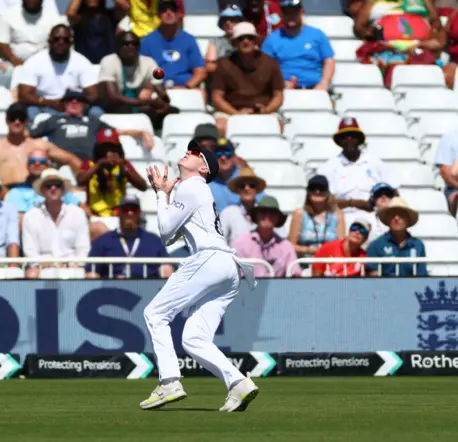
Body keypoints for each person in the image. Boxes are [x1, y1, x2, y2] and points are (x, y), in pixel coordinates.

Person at [140, 142, 259, 412]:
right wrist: (167, 197)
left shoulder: (192, 186)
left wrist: (160, 194)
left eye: (196, 154)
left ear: (203, 168)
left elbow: (165, 231)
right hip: (228, 267)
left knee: (155, 314)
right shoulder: (195, 189)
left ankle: (169, 381)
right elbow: (172, 233)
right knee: (194, 339)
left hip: (208, 259)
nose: (188, 153)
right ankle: (238, 383)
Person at [30, 89, 154, 160]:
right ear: (64, 104)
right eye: (70, 100)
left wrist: (142, 132)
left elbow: (116, 132)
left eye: (79, 101)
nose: (74, 102)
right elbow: (31, 135)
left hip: (89, 163)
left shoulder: (92, 121)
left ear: (84, 105)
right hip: (61, 162)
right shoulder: (53, 120)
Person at [212, 21, 284, 136]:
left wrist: (267, 110)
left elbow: (278, 95)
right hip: (231, 110)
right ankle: (224, 152)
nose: (246, 41)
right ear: (234, 42)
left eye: (249, 37)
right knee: (219, 126)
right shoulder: (224, 64)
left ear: (256, 40)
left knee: (278, 126)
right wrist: (236, 113)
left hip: (264, 110)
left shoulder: (270, 63)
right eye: (241, 38)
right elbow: (217, 97)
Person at [17, 24, 102, 122]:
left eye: (65, 40)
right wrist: (47, 102)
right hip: (43, 106)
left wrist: (73, 104)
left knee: (96, 112)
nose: (61, 42)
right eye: (56, 39)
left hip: (74, 105)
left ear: (71, 42)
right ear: (49, 41)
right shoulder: (34, 62)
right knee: (29, 112)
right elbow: (23, 95)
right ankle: (33, 137)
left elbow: (94, 95)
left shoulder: (82, 62)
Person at [318, 117, 399, 214]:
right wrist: (353, 203)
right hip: (342, 216)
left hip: (374, 215)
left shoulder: (375, 162)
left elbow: (394, 193)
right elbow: (324, 202)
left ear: (359, 139)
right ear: (339, 141)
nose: (349, 139)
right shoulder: (329, 167)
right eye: (345, 137)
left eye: (353, 136)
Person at [99, 31, 178, 130]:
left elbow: (161, 91)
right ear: (117, 47)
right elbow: (113, 97)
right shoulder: (108, 61)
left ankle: (158, 139)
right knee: (127, 109)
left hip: (141, 104)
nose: (131, 47)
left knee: (173, 111)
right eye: (126, 44)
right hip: (117, 105)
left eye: (134, 44)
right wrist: (143, 102)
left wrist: (162, 102)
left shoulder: (149, 62)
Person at [22, 168, 90, 279]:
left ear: (63, 190)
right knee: (31, 274)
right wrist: (51, 265)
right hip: (43, 268)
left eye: (57, 185)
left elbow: (83, 249)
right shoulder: (30, 217)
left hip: (73, 268)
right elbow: (31, 253)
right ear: (42, 190)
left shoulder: (78, 213)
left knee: (92, 276)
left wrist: (72, 265)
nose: (53, 188)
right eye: (48, 185)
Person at [86, 195, 172, 279]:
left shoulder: (154, 241)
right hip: (111, 290)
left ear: (139, 213)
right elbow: (91, 273)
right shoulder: (103, 241)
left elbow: (167, 271)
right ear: (119, 212)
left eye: (134, 210)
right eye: (126, 209)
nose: (130, 213)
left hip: (147, 290)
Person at [261, 0, 335, 90]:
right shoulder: (272, 39)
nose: (291, 16)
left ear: (302, 12)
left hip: (315, 88)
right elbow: (263, 67)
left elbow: (329, 61)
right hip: (284, 89)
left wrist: (324, 82)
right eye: (287, 13)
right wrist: (278, 83)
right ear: (281, 15)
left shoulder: (317, 35)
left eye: (294, 13)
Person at [140, 0, 207, 98]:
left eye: (173, 9)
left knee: (201, 94)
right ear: (158, 15)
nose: (168, 12)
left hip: (185, 87)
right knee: (143, 95)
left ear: (179, 14)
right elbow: (142, 71)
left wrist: (186, 87)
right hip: (157, 88)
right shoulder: (146, 41)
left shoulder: (189, 40)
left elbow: (200, 72)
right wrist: (157, 88)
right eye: (164, 10)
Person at [77, 128, 148, 217]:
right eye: (105, 147)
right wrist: (99, 164)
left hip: (118, 216)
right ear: (98, 149)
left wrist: (124, 168)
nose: (109, 151)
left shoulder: (124, 165)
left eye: (112, 147)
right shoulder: (89, 164)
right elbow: (80, 181)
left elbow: (143, 186)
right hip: (95, 216)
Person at [232, 195, 302, 277]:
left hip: (279, 289)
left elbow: (295, 275)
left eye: (272, 213)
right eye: (263, 211)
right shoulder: (240, 244)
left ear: (278, 219)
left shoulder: (286, 247)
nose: (267, 216)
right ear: (256, 216)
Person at [6, 148, 80, 225]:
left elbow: (83, 211)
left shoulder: (59, 189)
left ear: (49, 165)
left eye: (42, 161)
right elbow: (21, 222)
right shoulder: (17, 192)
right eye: (32, 161)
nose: (37, 163)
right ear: (27, 165)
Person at [366, 197, 427, 277]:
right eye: (392, 214)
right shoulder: (376, 245)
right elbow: (373, 275)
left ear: (408, 220)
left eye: (401, 215)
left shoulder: (418, 245)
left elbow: (421, 276)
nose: (396, 218)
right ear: (387, 219)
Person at [287, 175, 345, 258]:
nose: (317, 191)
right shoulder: (299, 214)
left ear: (327, 192)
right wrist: (308, 250)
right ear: (308, 193)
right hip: (306, 262)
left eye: (322, 188)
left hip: (330, 263)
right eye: (313, 188)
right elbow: (290, 245)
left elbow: (342, 245)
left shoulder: (337, 214)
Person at [0, 0, 63, 67]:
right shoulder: (7, 16)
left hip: (45, 66)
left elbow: (60, 43)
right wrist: (15, 61)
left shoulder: (54, 18)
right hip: (13, 65)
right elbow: (2, 44)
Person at [208, 138, 264, 213]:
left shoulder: (247, 179)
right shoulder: (206, 182)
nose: (223, 157)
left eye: (228, 153)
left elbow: (262, 205)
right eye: (218, 154)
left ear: (235, 157)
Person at [66, 0, 129, 64]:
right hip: (84, 66)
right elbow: (70, 13)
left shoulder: (111, 16)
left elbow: (125, 7)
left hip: (107, 65)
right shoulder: (79, 19)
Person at [220, 167, 266, 245]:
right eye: (242, 185)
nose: (247, 188)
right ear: (237, 190)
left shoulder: (266, 213)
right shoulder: (228, 213)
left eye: (251, 185)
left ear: (257, 189)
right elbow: (220, 242)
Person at [205, 4, 244, 74]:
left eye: (233, 20)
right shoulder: (215, 42)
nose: (228, 23)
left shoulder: (248, 40)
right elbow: (209, 66)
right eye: (225, 20)